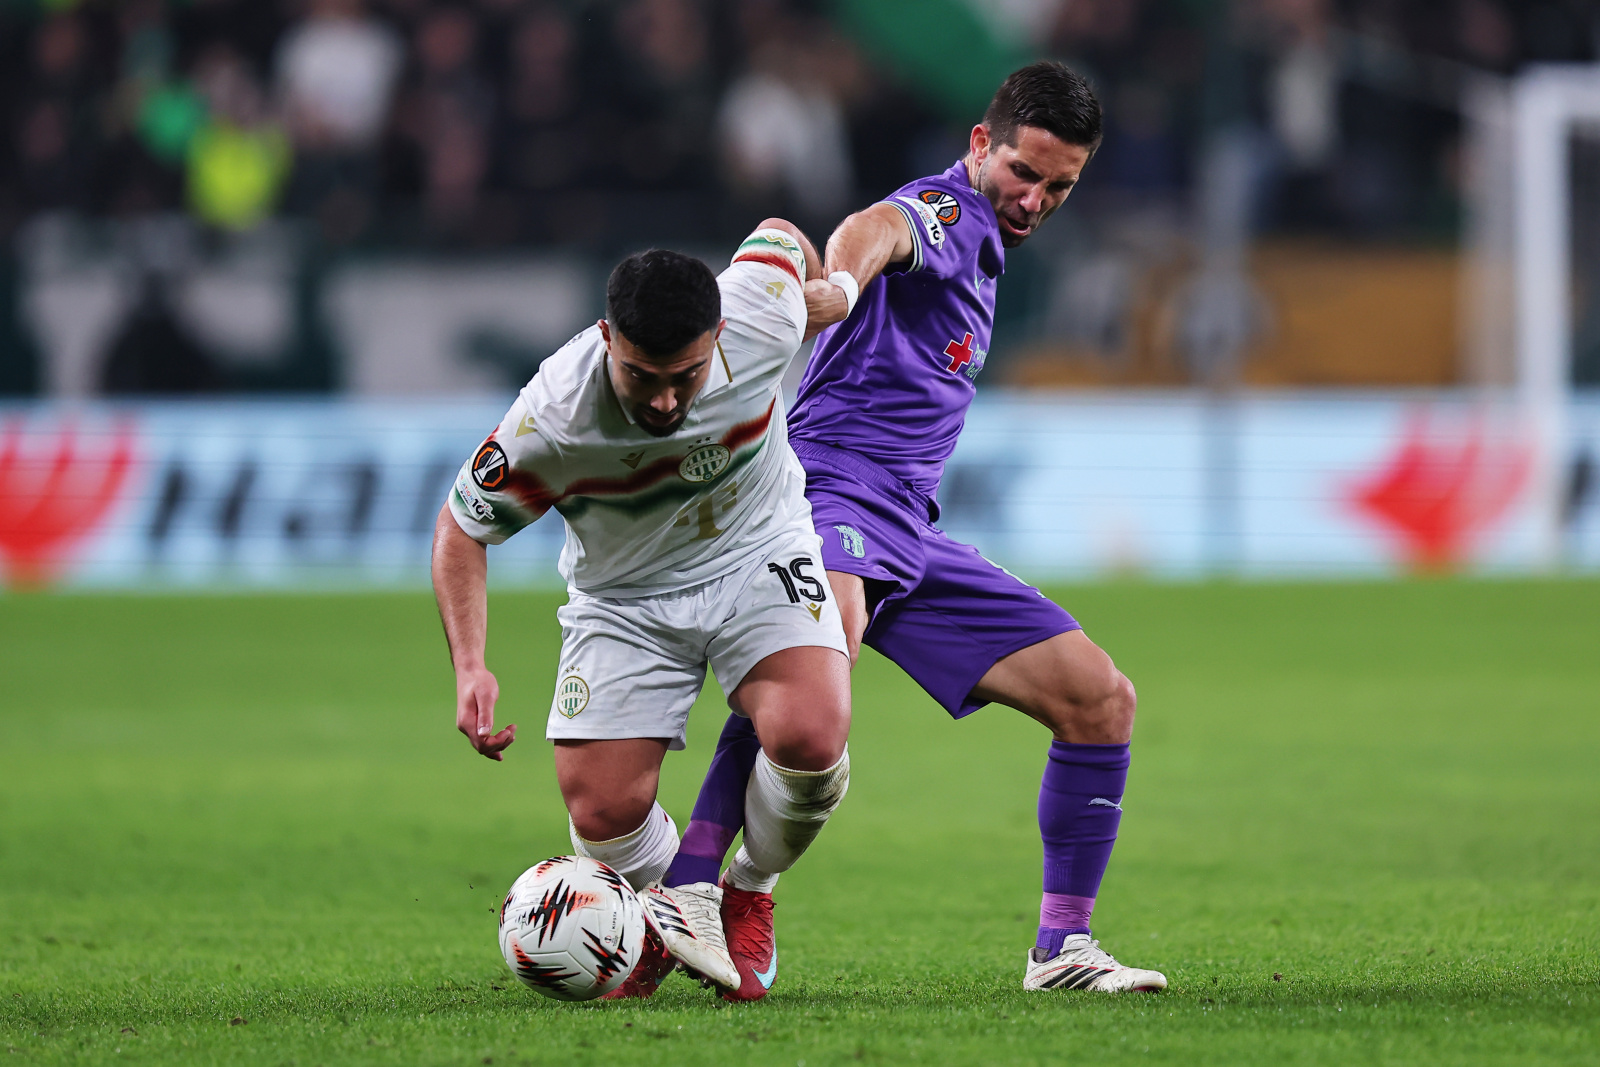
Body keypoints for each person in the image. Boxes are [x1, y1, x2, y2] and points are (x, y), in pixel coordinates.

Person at [670, 61, 1168, 997]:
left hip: (905, 525)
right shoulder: (952, 210)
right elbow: (875, 229)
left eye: (1061, 185)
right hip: (834, 490)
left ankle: (1062, 947)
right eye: (1024, 171)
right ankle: (697, 885)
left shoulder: (989, 244)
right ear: (983, 145)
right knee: (819, 661)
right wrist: (842, 287)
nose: (1035, 200)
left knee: (1100, 700)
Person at [430, 222, 853, 998]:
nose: (663, 399)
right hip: (624, 599)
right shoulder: (553, 417)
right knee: (601, 808)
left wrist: (829, 284)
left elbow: (782, 238)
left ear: (720, 334)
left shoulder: (763, 313)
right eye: (641, 376)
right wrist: (470, 665)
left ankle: (749, 890)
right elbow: (462, 527)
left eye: (684, 378)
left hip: (756, 550)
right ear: (606, 338)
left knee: (811, 734)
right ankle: (669, 913)